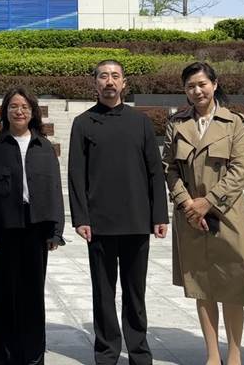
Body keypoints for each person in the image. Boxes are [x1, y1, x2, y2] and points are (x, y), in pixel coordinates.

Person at [68, 59, 169, 365]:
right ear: (95, 83)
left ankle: (139, 351)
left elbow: (155, 170)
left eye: (115, 76)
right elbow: (76, 174)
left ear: (124, 83)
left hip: (137, 220)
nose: (109, 81)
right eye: (103, 76)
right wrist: (81, 218)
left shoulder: (140, 122)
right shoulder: (83, 123)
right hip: (99, 223)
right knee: (103, 292)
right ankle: (106, 351)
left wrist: (159, 215)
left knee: (135, 293)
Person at [162, 62, 244, 365]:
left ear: (215, 84)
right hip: (190, 218)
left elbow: (239, 171)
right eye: (190, 86)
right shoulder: (177, 124)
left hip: (226, 215)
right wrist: (187, 204)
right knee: (202, 287)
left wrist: (208, 202)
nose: (197, 91)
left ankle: (234, 355)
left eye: (202, 84)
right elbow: (169, 168)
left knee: (232, 286)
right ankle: (212, 355)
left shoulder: (235, 123)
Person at [0, 87, 65, 365]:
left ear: (33, 112)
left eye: (25, 107)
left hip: (37, 228)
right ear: (5, 111)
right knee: (5, 293)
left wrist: (56, 231)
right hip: (4, 229)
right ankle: (5, 357)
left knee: (33, 295)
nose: (19, 111)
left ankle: (33, 356)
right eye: (14, 106)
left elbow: (54, 189)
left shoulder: (44, 146)